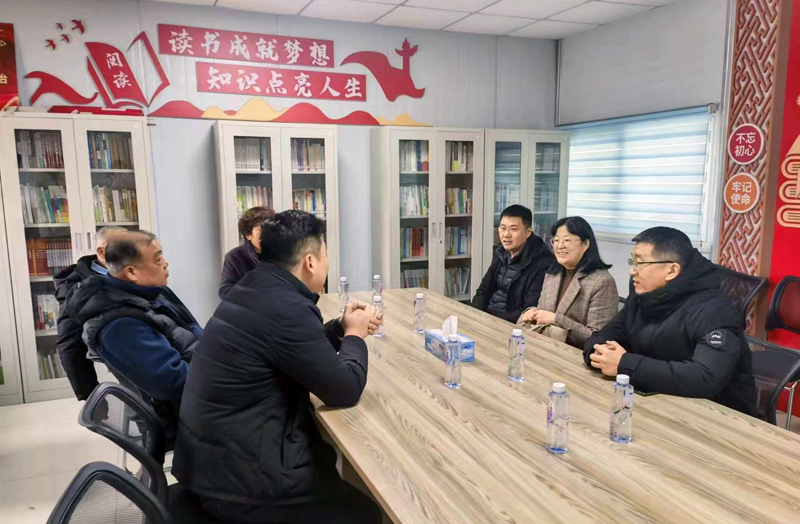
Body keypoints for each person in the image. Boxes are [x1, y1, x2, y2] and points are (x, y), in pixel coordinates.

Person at [173, 210, 383, 524]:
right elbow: (346, 389)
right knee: (366, 513)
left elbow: (287, 347)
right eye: (325, 254)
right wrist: (355, 334)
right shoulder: (288, 307)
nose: (327, 262)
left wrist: (340, 327)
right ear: (310, 261)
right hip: (241, 485)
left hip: (212, 462)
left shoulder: (253, 286)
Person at [583, 227, 756, 415]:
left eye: (640, 263)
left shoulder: (714, 310)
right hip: (657, 403)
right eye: (632, 261)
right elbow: (603, 336)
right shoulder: (643, 295)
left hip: (717, 416)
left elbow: (706, 378)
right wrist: (599, 355)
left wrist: (625, 364)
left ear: (672, 270)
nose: (632, 271)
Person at [66, 230, 202, 441]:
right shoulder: (120, 326)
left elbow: (190, 329)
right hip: (187, 416)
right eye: (157, 259)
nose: (165, 263)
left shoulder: (149, 292)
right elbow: (174, 382)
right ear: (131, 272)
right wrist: (225, 371)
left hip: (200, 388)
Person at [519, 217, 618, 348]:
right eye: (556, 240)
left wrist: (557, 319)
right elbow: (544, 313)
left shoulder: (602, 282)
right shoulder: (552, 275)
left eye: (567, 240)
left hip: (575, 354)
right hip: (545, 346)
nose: (560, 246)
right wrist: (533, 312)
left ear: (585, 244)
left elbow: (598, 338)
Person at [55, 226, 127, 400]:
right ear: (101, 252)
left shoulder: (133, 272)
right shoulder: (78, 290)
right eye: (123, 247)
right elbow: (70, 344)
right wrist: (92, 397)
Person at [472, 204, 555, 322]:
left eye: (513, 229)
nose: (506, 234)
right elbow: (483, 290)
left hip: (511, 323)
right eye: (503, 228)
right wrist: (474, 314)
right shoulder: (501, 251)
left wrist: (490, 319)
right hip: (487, 316)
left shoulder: (543, 261)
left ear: (528, 232)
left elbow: (528, 309)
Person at [219, 206, 275, 298]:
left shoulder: (283, 253)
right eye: (261, 230)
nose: (267, 234)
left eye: (270, 229)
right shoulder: (234, 257)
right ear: (248, 234)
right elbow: (225, 291)